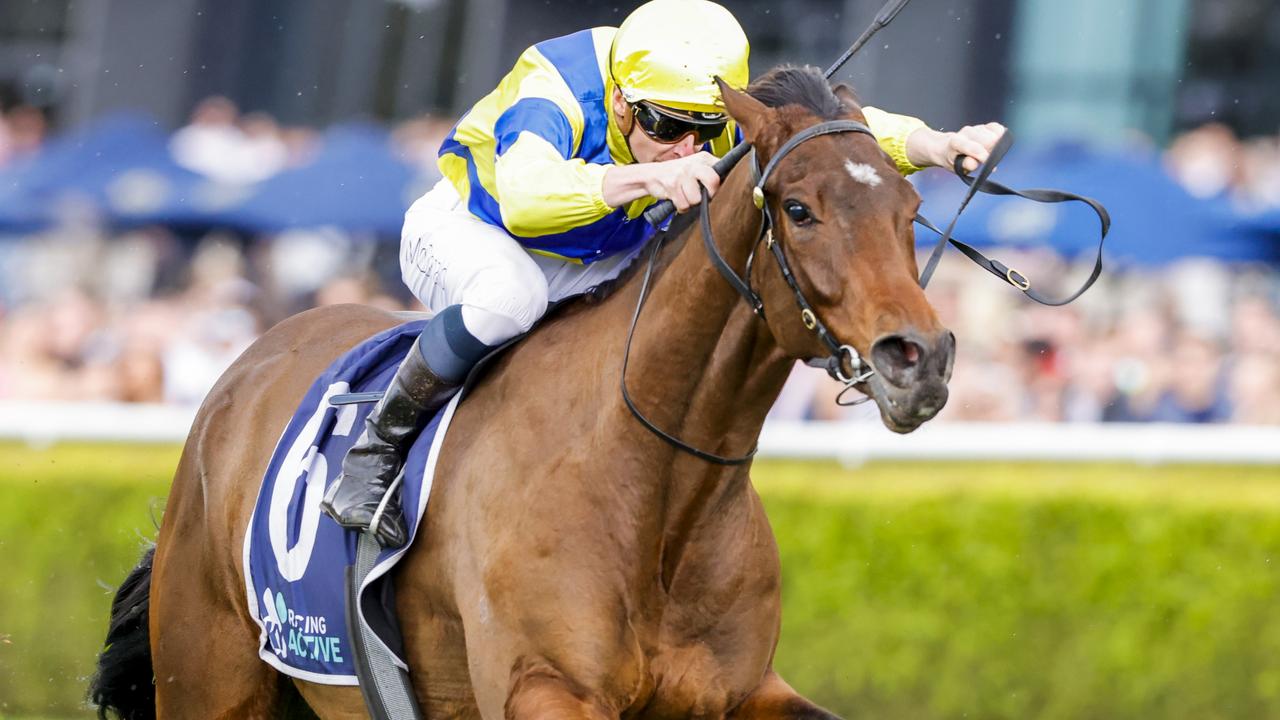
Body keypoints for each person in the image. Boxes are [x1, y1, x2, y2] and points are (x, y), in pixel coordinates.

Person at [321, 0, 1008, 547]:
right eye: (665, 125)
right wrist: (651, 175)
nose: (689, 144)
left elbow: (823, 133)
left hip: (596, 251)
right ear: (621, 101)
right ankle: (377, 452)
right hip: (477, 229)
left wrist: (937, 145)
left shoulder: (693, 107)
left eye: (704, 130)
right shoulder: (554, 82)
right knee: (510, 298)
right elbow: (528, 200)